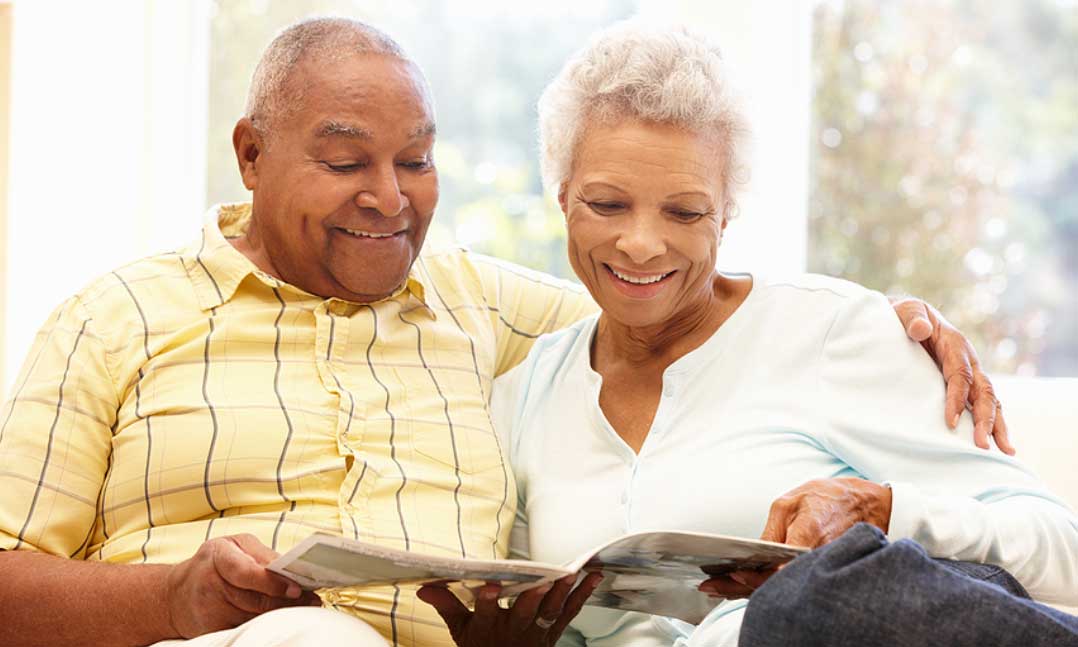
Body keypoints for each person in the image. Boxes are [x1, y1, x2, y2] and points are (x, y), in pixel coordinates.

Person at [0, 17, 1010, 647]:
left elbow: (662, 286)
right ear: (252, 155)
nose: (390, 199)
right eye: (346, 160)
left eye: (418, 158)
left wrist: (885, 317)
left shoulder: (477, 304)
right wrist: (173, 599)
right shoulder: (118, 319)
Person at [415, 21, 1078, 647]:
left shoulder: (833, 332)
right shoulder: (525, 396)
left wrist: (885, 511)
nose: (642, 244)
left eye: (685, 211)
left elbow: (1060, 547)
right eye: (607, 203)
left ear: (726, 213)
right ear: (561, 197)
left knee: (803, 600)